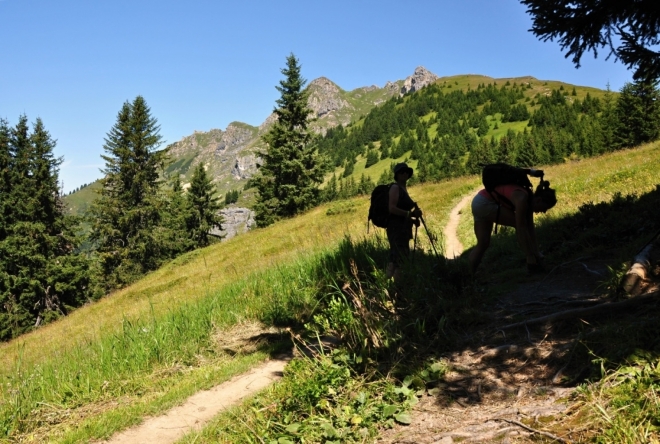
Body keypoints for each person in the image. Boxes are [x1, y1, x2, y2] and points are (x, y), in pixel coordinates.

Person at [469, 171, 557, 274]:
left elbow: (530, 228)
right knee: (519, 224)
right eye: (545, 208)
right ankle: (532, 263)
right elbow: (521, 227)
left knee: (483, 243)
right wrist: (531, 255)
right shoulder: (522, 199)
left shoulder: (527, 200)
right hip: (486, 203)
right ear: (538, 201)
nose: (544, 211)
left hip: (479, 201)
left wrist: (537, 252)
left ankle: (469, 276)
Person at [386, 162, 423, 283]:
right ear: (396, 175)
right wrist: (410, 214)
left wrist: (412, 220)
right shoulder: (395, 188)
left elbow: (402, 212)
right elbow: (391, 208)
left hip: (402, 229)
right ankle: (398, 290)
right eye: (402, 172)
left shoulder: (403, 189)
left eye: (406, 171)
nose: (405, 173)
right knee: (400, 259)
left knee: (395, 258)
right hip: (397, 229)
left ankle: (387, 285)